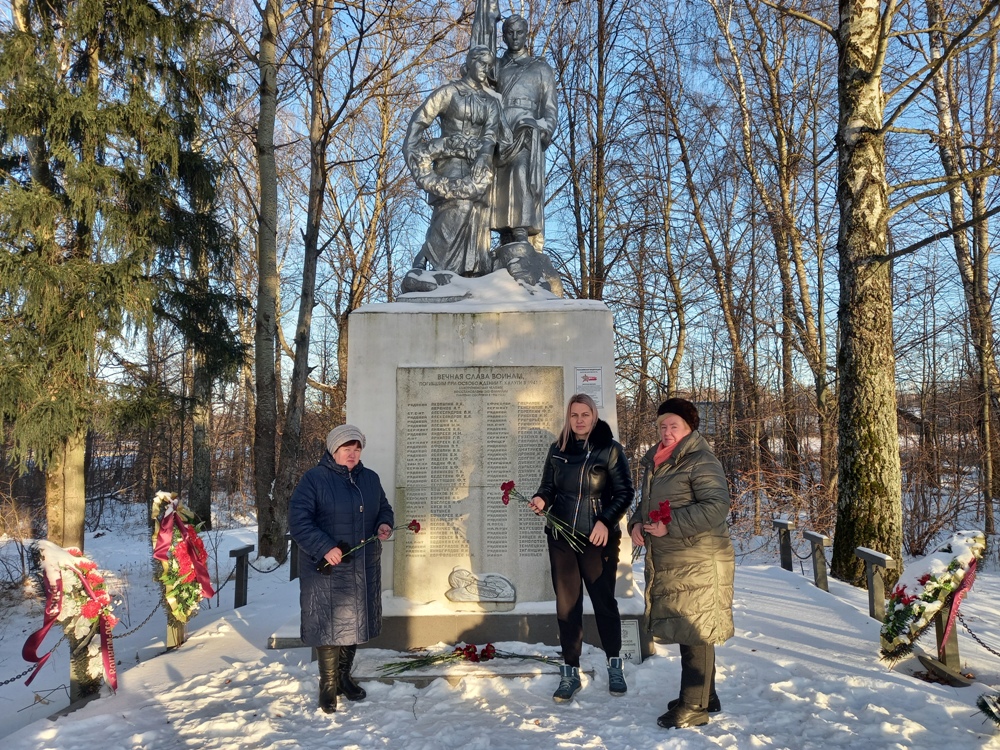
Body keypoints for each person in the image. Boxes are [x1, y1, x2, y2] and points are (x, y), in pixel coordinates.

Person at [628, 398, 735, 730]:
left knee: (696, 628)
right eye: (662, 425)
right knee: (694, 627)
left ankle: (694, 706)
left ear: (690, 428)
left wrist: (669, 525)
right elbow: (649, 503)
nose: (667, 431)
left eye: (674, 425)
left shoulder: (700, 459)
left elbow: (717, 506)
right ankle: (706, 695)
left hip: (700, 558)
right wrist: (636, 523)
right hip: (677, 558)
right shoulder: (659, 460)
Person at [529, 394, 634, 703]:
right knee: (567, 605)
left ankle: (614, 664)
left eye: (584, 414)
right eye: (574, 415)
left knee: (603, 602)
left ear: (593, 415)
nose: (579, 420)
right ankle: (570, 671)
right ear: (568, 418)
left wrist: (604, 521)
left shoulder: (610, 450)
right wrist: (541, 500)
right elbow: (548, 486)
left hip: (597, 538)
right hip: (561, 536)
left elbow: (625, 492)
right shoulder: (557, 450)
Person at [288, 424, 394, 714]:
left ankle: (344, 677)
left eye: (357, 448)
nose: (352, 453)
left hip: (361, 564)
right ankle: (328, 685)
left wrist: (384, 523)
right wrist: (324, 546)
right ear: (333, 450)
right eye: (347, 448)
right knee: (327, 625)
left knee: (353, 623)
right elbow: (298, 520)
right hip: (326, 568)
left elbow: (383, 507)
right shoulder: (314, 479)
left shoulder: (369, 479)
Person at [402, 45, 501, 279]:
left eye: (489, 65)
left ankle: (454, 273)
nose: (484, 69)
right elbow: (419, 122)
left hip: (478, 170)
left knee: (476, 220)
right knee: (455, 210)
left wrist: (485, 155)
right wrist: (417, 158)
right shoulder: (449, 92)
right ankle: (435, 267)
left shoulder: (491, 102)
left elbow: (491, 135)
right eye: (480, 62)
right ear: (469, 63)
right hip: (448, 168)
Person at [492, 14, 558, 249]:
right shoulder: (496, 67)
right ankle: (504, 235)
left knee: (521, 171)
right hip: (498, 132)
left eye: (520, 32)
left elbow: (550, 111)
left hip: (526, 131)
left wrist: (543, 130)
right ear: (503, 35)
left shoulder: (540, 68)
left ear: (526, 34)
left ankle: (520, 231)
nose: (515, 37)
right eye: (510, 32)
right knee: (493, 183)